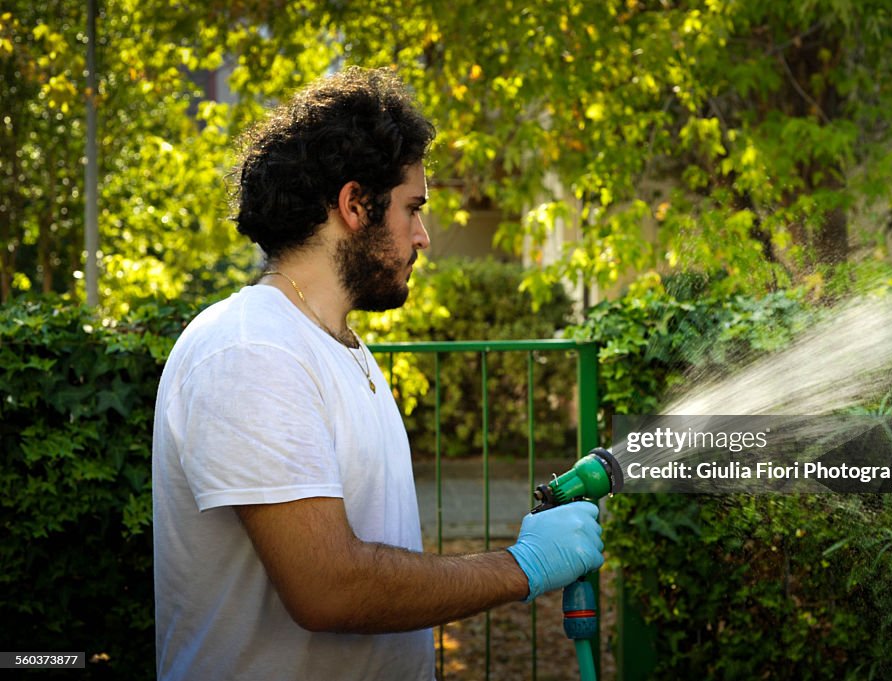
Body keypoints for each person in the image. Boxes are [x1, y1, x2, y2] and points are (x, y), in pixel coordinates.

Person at [151, 66, 605, 680]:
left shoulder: (338, 346)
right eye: (412, 208)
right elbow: (328, 588)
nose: (423, 237)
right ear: (355, 205)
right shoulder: (249, 350)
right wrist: (520, 567)